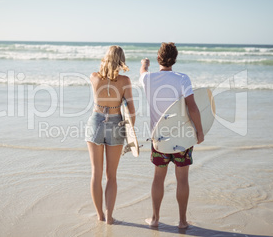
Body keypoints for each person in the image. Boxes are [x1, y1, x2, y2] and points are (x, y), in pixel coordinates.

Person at [140, 42, 204, 229]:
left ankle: (154, 218)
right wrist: (199, 132)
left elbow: (142, 70)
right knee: (182, 179)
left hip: (159, 139)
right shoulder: (182, 78)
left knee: (158, 178)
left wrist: (145, 63)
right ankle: (182, 222)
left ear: (159, 58)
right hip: (182, 138)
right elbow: (192, 107)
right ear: (174, 59)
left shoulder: (147, 79)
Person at [85, 45, 135, 224]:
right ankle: (109, 217)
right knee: (111, 175)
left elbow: (101, 75)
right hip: (115, 122)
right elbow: (131, 110)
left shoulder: (93, 77)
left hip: (96, 122)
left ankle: (99, 215)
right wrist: (130, 136)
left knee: (95, 174)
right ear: (121, 60)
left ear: (105, 58)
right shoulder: (125, 81)